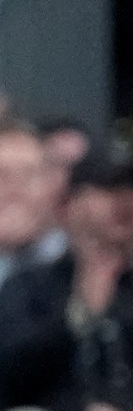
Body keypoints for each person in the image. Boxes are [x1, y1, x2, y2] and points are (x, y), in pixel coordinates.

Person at [0, 151, 133, 411]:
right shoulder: (32, 285)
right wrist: (78, 317)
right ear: (68, 206)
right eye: (109, 187)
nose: (126, 197)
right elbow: (10, 375)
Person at [0, 126, 65, 294]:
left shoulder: (79, 268)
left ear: (55, 185)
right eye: (1, 175)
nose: (14, 190)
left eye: (29, 175)